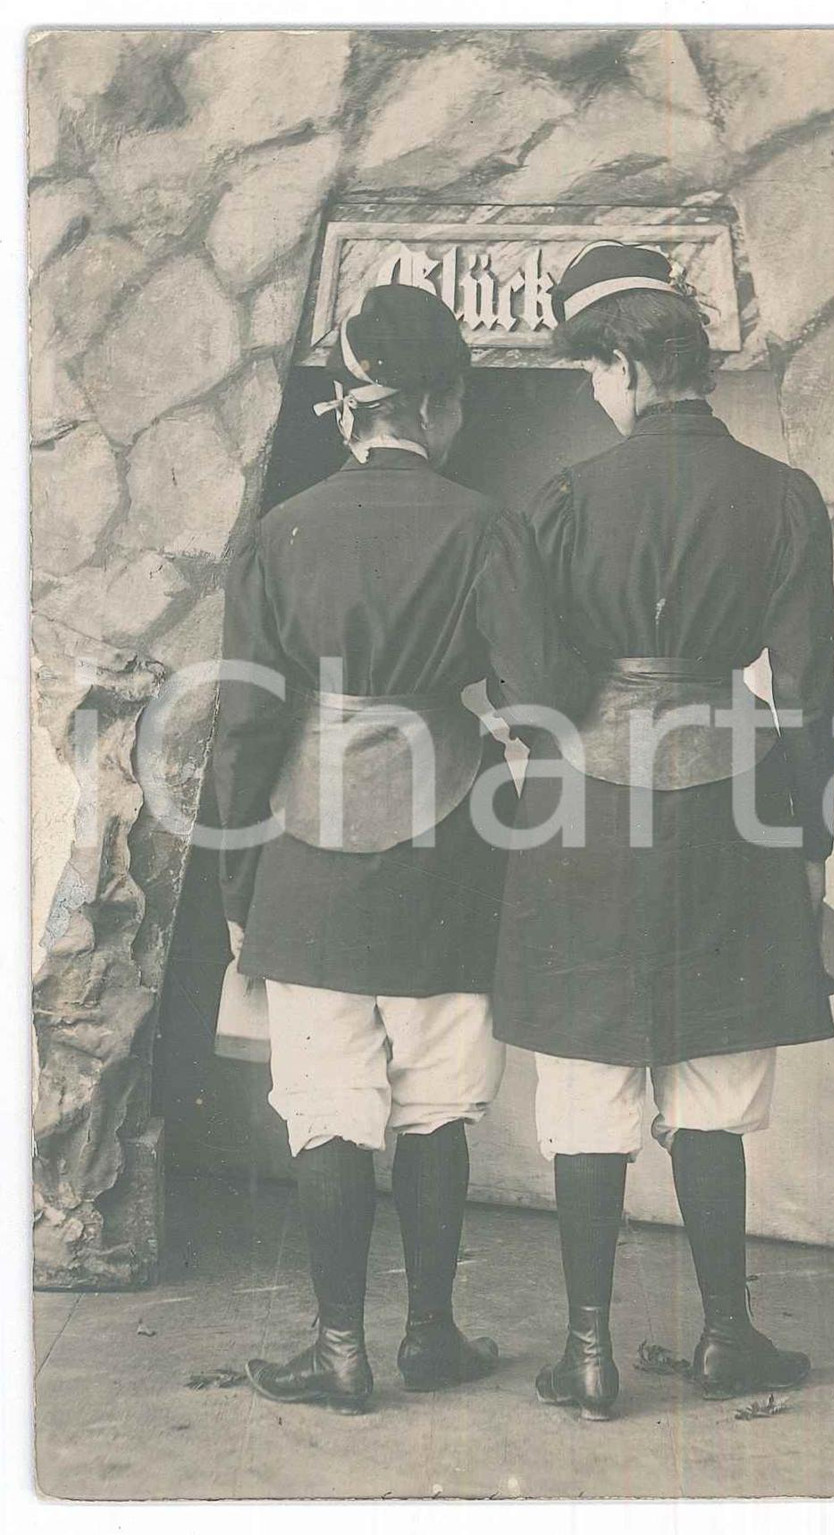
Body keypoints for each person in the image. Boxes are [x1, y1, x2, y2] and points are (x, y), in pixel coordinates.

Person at [213, 283, 591, 1413]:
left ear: (347, 406)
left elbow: (245, 721)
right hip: (447, 848)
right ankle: (430, 1332)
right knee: (433, 1099)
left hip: (306, 853)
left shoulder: (277, 533)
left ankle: (339, 1349)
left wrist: (242, 882)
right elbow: (546, 701)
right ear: (435, 404)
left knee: (326, 1099)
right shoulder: (486, 526)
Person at [492, 241, 834, 1420]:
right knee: (713, 1070)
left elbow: (536, 684)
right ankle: (726, 1334)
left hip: (585, 808)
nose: (593, 395)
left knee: (590, 1071)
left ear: (628, 363)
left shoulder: (568, 497)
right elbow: (804, 696)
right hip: (734, 804)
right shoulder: (785, 496)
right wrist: (807, 848)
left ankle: (586, 1353)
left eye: (592, 371)